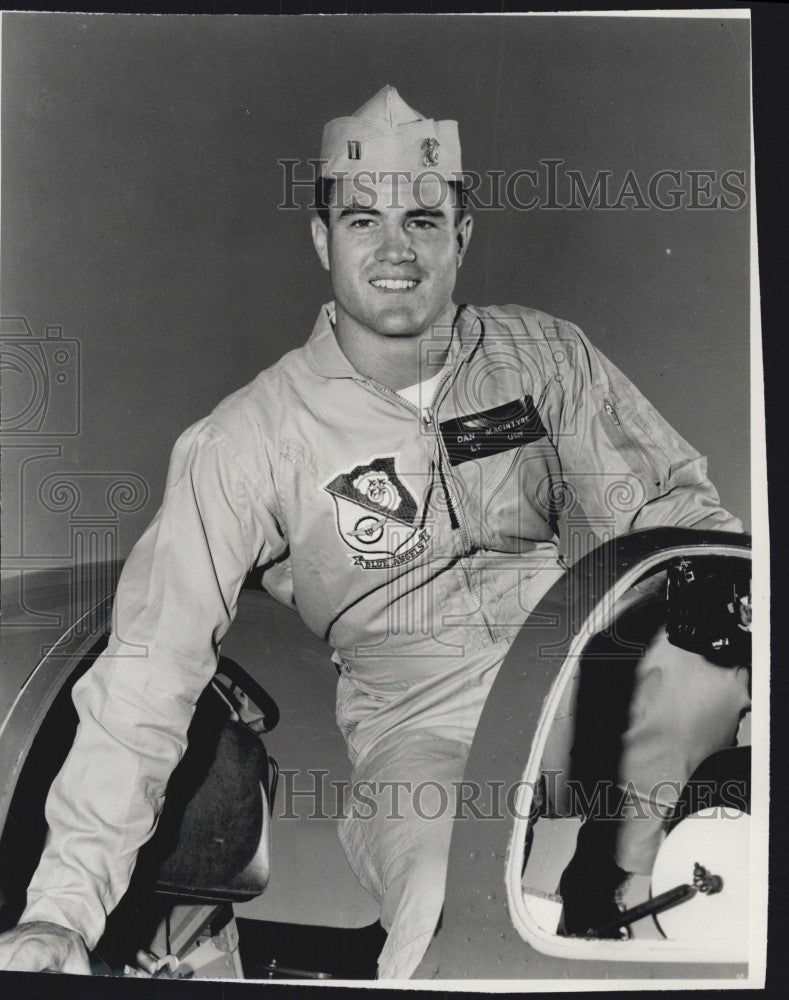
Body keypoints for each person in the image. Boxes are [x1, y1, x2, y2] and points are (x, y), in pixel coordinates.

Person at [0, 86, 749, 978]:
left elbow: (683, 528)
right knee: (444, 914)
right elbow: (145, 678)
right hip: (421, 740)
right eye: (363, 221)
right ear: (322, 239)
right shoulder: (247, 441)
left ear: (461, 237)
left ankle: (611, 889)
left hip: (575, 691)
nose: (396, 248)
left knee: (718, 642)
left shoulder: (546, 361)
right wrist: (59, 915)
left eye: (423, 221)